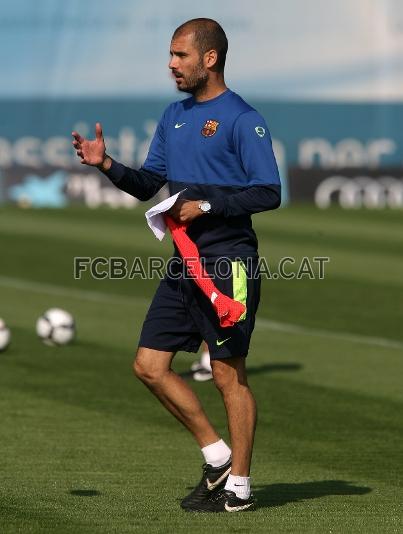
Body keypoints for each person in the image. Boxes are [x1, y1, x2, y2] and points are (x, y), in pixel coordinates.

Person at [72, 17, 281, 513]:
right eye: (170, 55)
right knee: (148, 366)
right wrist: (106, 165)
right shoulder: (174, 115)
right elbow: (150, 183)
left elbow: (269, 190)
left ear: (210, 58)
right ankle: (217, 457)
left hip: (228, 263)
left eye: (180, 56)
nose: (171, 65)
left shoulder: (241, 118)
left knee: (230, 375)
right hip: (185, 261)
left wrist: (205, 205)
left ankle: (240, 489)